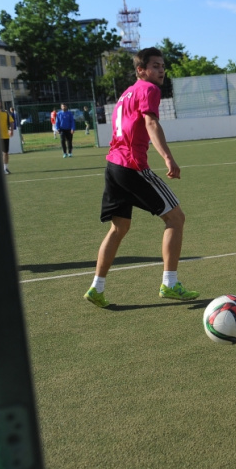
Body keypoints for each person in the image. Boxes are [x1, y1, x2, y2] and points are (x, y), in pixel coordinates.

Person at [84, 47, 199, 308]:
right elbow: (151, 122)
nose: (161, 70)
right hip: (131, 165)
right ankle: (170, 284)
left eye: (162, 66)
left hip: (113, 166)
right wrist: (168, 157)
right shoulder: (149, 89)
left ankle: (96, 288)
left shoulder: (127, 93)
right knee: (176, 218)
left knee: (119, 227)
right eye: (155, 66)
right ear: (141, 70)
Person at [0, 100, 13, 175]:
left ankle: (5, 168)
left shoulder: (5, 113)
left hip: (4, 136)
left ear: (1, 104)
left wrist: (11, 130)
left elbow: (11, 122)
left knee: (5, 153)